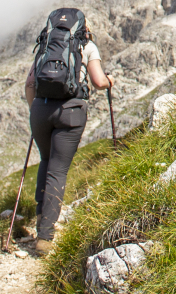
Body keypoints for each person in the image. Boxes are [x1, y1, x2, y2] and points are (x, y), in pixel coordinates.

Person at [22, 18, 111, 256]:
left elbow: (30, 83)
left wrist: (35, 110)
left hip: (41, 109)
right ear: (83, 28)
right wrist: (110, 81)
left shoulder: (45, 46)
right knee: (58, 169)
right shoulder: (86, 46)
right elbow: (99, 81)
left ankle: (42, 217)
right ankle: (45, 237)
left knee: (46, 160)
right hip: (71, 111)